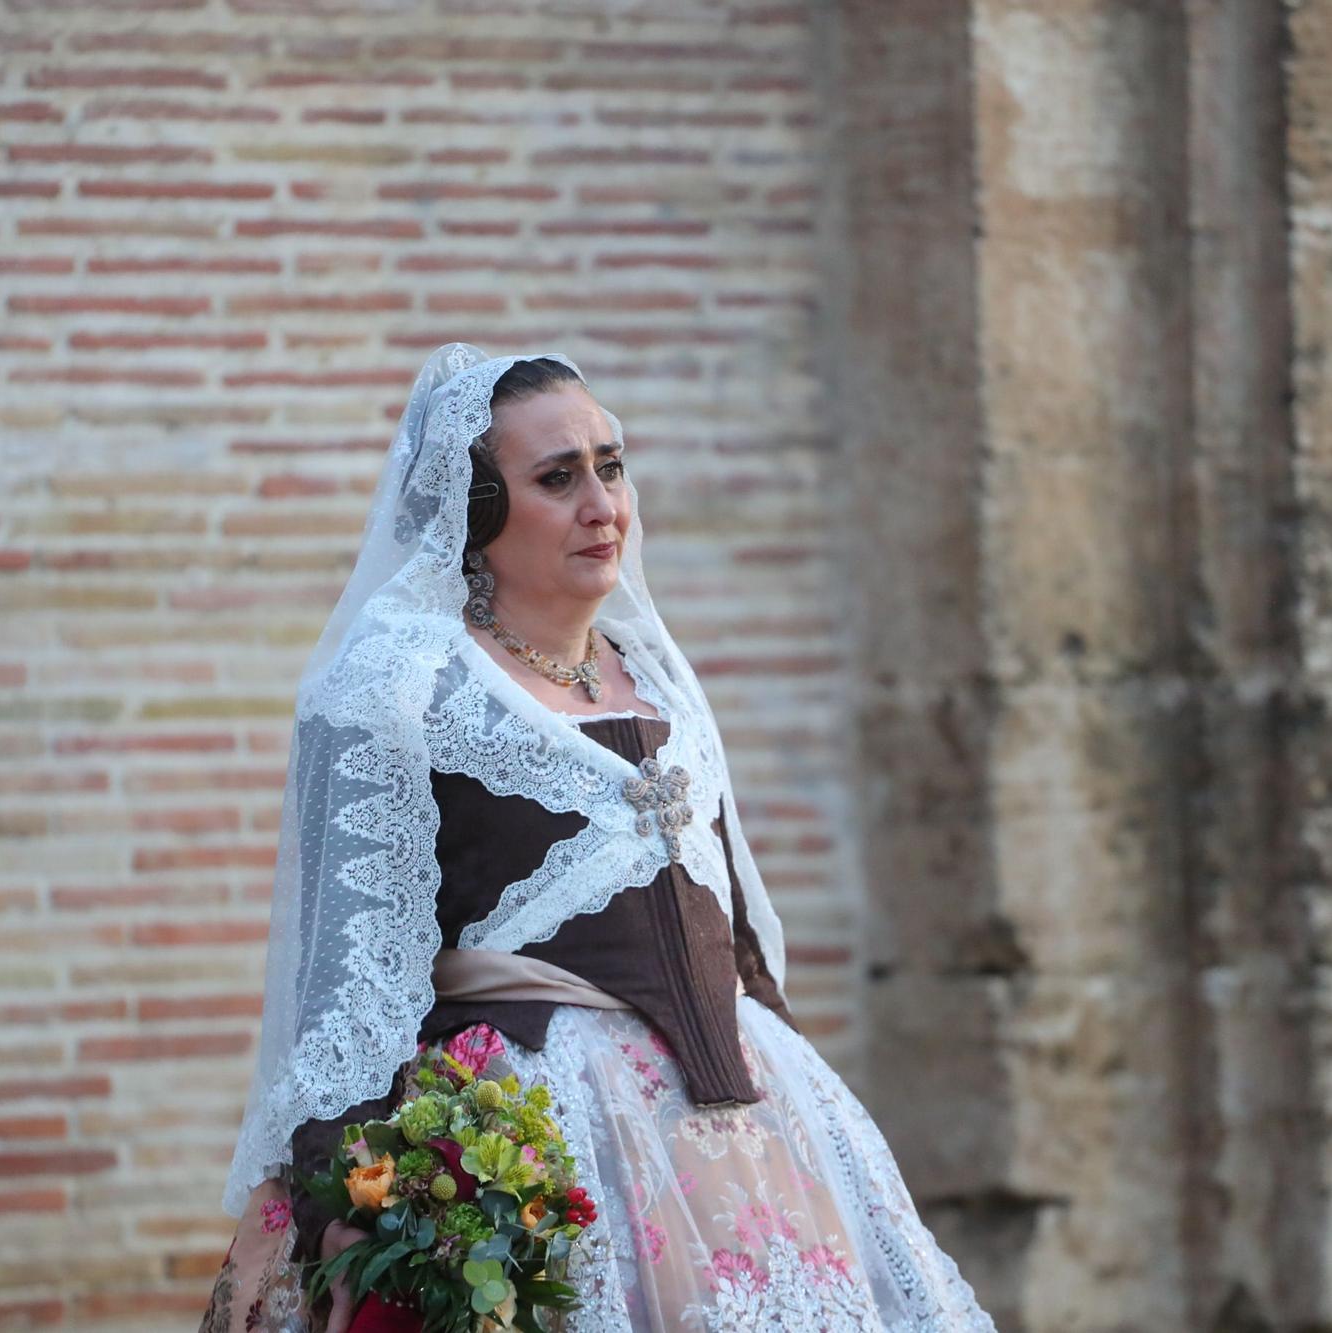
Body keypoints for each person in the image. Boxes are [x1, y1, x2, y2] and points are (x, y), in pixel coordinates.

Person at [201, 344, 996, 1332]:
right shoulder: (394, 690)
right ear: (473, 506)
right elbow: (348, 997)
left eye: (609, 466)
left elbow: (732, 935)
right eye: (556, 477)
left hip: (746, 1139)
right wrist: (343, 1208)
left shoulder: (658, 676)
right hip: (540, 1143)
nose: (600, 504)